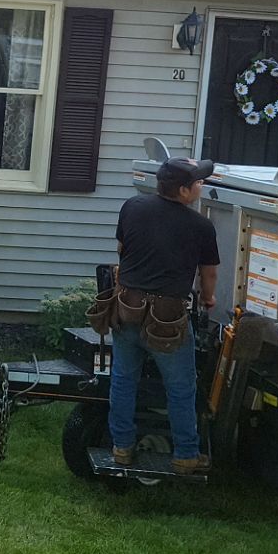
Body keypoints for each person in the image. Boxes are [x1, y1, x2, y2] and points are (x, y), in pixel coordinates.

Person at [107, 156, 220, 476]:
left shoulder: (132, 207)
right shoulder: (201, 226)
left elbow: (121, 250)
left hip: (127, 310)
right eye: (198, 182)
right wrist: (209, 298)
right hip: (167, 321)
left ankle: (121, 448)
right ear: (184, 191)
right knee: (181, 387)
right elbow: (208, 274)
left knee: (123, 381)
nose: (202, 185)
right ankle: (186, 455)